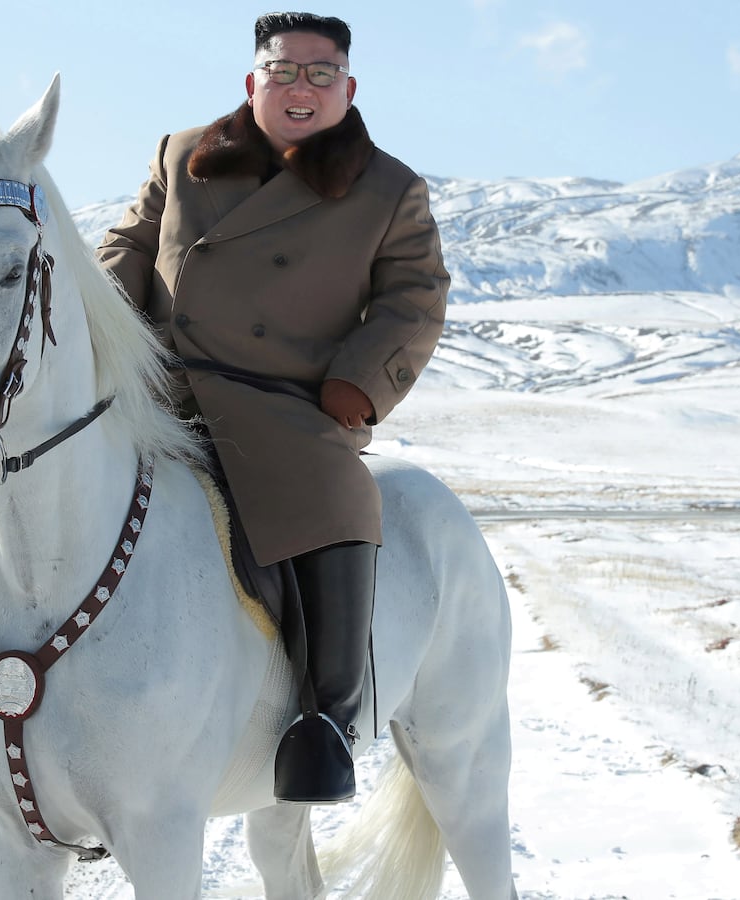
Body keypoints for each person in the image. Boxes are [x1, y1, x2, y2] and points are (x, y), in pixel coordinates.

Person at [98, 11, 448, 804]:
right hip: (159, 383)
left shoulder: (389, 189)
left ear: (348, 88)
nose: (301, 88)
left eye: (320, 75)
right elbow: (127, 245)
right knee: (43, 456)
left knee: (335, 494)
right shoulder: (182, 154)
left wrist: (353, 388)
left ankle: (325, 722)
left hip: (284, 399)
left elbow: (415, 299)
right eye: (284, 70)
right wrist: (103, 324)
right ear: (252, 81)